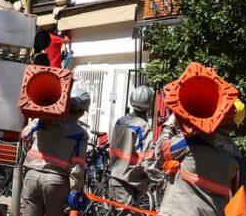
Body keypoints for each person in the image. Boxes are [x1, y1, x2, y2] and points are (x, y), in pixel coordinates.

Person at [153, 99, 245, 216]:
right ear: (235, 125)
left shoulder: (194, 138)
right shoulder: (236, 155)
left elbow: (161, 152)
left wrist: (169, 125)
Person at [20, 86, 92, 216]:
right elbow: (77, 167)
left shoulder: (42, 120)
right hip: (55, 182)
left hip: (31, 176)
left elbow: (24, 135)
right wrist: (75, 189)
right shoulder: (80, 134)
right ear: (81, 113)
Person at [105, 85, 156, 213]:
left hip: (115, 181)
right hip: (128, 185)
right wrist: (160, 179)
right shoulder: (143, 126)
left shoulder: (121, 121)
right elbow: (147, 160)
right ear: (150, 105)